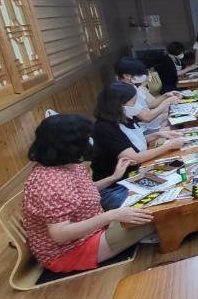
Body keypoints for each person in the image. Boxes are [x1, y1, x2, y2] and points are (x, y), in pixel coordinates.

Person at [22, 114, 155, 273]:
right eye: (85, 139)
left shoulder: (67, 165)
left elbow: (82, 192)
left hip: (92, 231)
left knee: (153, 208)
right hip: (69, 252)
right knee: (156, 217)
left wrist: (114, 177)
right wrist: (111, 215)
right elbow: (60, 234)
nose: (90, 142)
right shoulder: (50, 182)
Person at [90, 82, 185, 209]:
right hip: (115, 187)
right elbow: (133, 158)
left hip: (136, 175)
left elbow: (131, 143)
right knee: (168, 198)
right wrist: (167, 146)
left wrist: (158, 134)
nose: (136, 107)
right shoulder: (104, 128)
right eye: (133, 103)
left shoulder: (124, 116)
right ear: (117, 105)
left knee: (180, 175)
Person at [115, 57, 179, 134]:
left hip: (148, 127)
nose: (143, 76)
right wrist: (167, 103)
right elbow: (146, 117)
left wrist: (166, 96)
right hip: (141, 131)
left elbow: (150, 104)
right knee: (178, 127)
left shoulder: (134, 86)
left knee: (177, 123)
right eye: (139, 74)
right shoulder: (123, 92)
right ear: (126, 76)